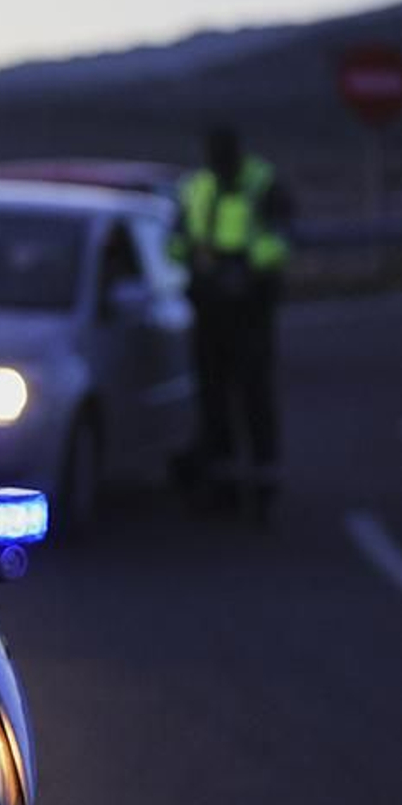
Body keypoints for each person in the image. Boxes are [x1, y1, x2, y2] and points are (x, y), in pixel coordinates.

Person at [170, 125, 293, 522]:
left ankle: (262, 490)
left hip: (251, 311)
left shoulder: (263, 184)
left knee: (254, 400)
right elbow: (175, 241)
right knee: (214, 402)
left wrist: (242, 269)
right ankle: (221, 488)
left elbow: (279, 240)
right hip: (209, 311)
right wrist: (197, 262)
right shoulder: (196, 188)